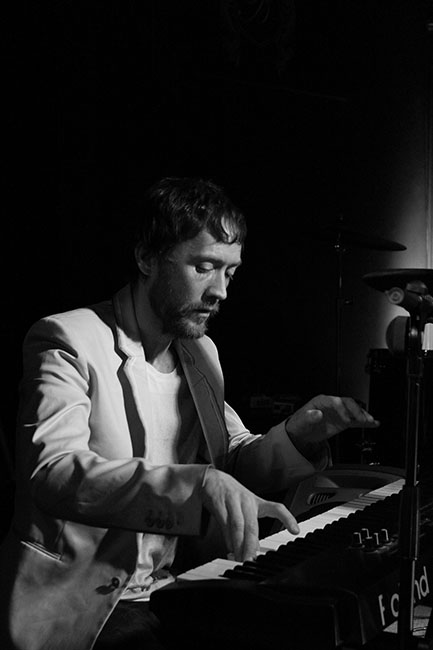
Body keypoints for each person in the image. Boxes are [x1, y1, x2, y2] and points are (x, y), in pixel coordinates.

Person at [0, 177, 379, 650]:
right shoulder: (67, 339)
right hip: (90, 608)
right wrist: (194, 486)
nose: (221, 291)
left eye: (230, 273)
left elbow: (230, 461)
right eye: (204, 267)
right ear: (147, 258)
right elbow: (53, 472)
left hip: (174, 587)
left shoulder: (201, 353)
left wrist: (298, 436)